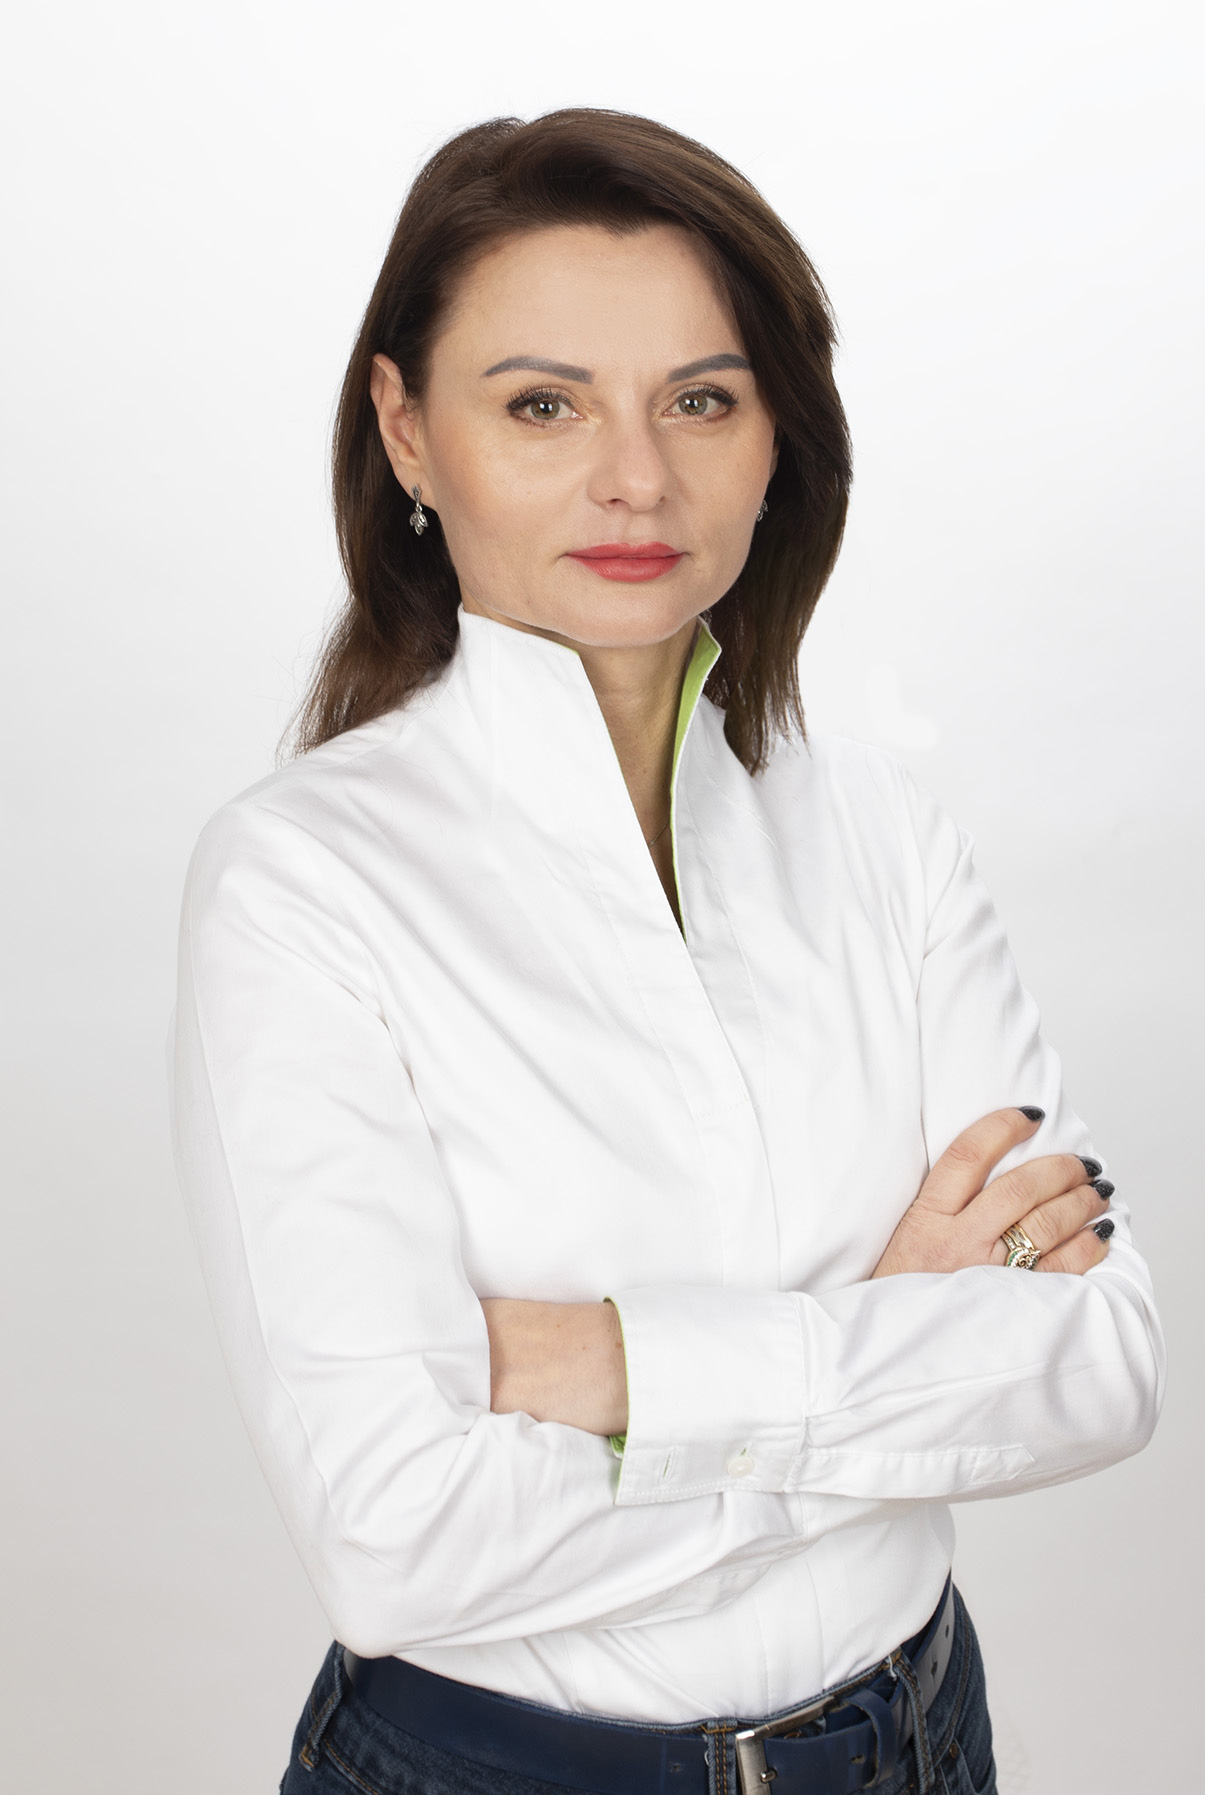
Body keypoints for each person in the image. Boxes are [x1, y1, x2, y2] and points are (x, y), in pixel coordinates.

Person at [170, 110, 1164, 1795]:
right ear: (407, 432)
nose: (635, 479)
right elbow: (396, 1538)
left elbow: (1099, 1365)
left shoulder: (882, 834)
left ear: (780, 435)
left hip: (916, 1735)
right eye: (541, 405)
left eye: (700, 400)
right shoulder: (302, 880)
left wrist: (611, 1364)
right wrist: (894, 1343)